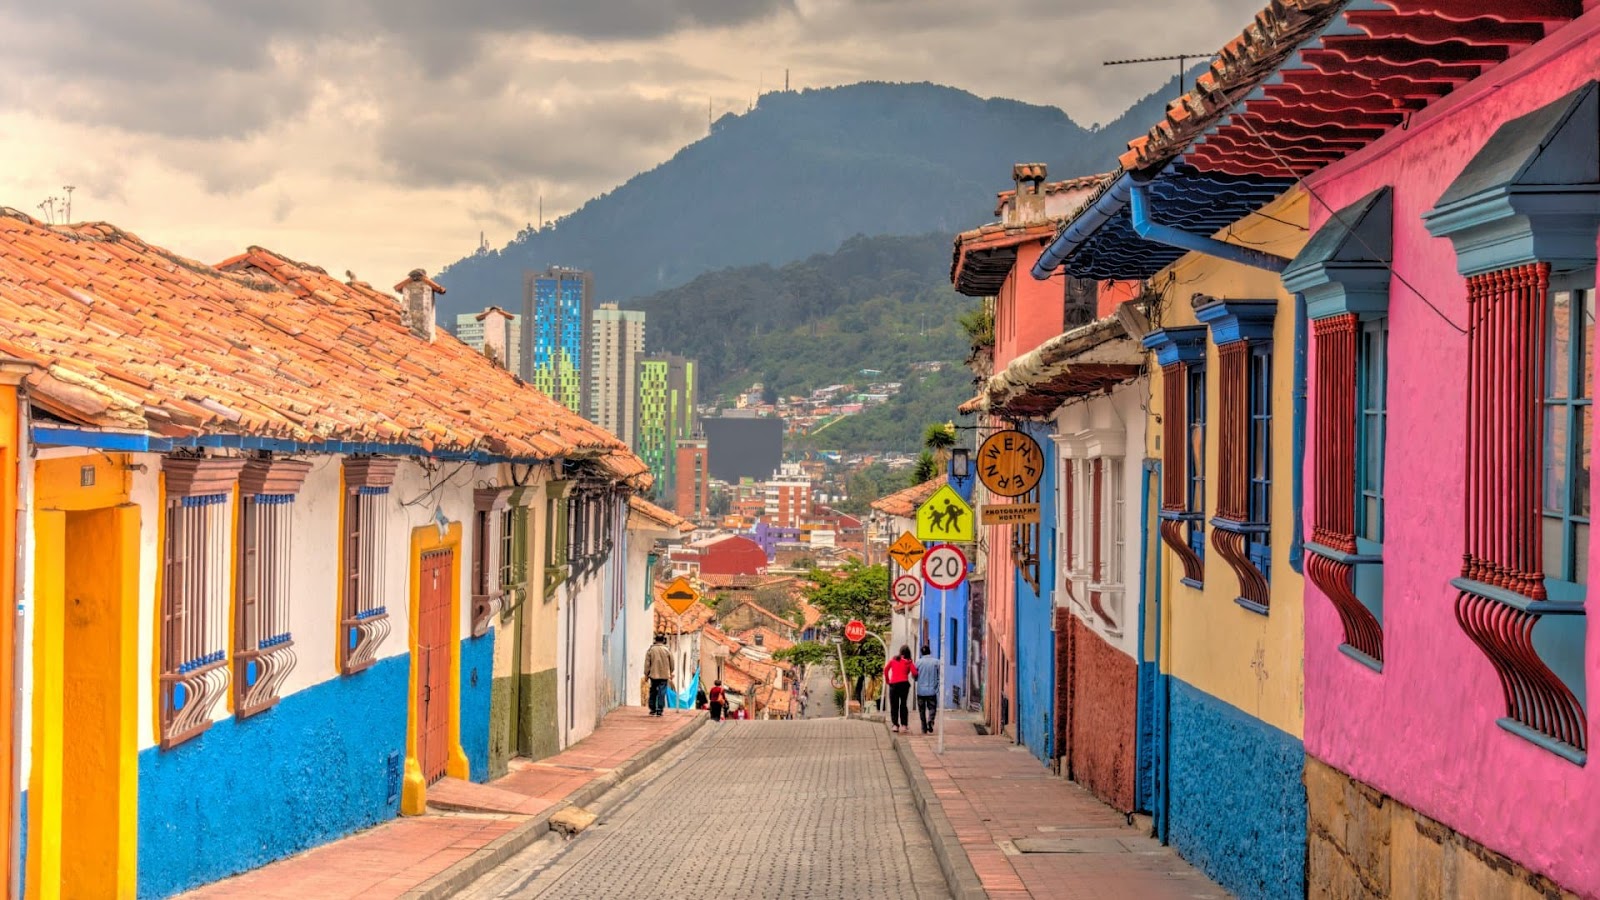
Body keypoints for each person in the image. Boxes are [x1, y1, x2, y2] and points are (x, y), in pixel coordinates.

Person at [883, 645, 917, 734]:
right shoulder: (909, 662)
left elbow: (886, 669)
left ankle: (895, 725)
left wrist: (888, 680)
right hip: (904, 685)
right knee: (903, 705)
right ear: (908, 653)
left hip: (893, 684)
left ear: (900, 652)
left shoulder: (894, 659)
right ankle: (904, 725)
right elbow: (915, 672)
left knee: (894, 705)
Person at [644, 634, 673, 716]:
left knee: (653, 691)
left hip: (653, 674)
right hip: (664, 675)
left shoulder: (651, 650)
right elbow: (672, 662)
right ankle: (660, 710)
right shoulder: (667, 650)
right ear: (663, 640)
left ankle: (652, 709)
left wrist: (646, 674)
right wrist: (671, 672)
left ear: (655, 640)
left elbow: (647, 663)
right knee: (662, 692)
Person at [915, 644, 941, 734]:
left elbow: (914, 674)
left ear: (922, 653)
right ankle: (930, 720)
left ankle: (924, 727)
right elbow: (940, 674)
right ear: (930, 651)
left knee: (921, 710)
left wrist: (916, 679)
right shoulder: (936, 662)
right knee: (932, 708)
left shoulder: (918, 662)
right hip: (932, 690)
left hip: (921, 691)